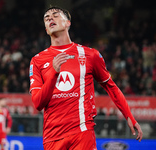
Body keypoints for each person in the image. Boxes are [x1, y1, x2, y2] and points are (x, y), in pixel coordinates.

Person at [29, 6, 143, 150]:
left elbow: (111, 87)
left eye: (56, 15)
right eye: (47, 18)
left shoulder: (90, 55)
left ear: (68, 23)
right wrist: (53, 74)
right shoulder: (37, 60)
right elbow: (38, 103)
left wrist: (129, 116)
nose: (50, 18)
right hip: (52, 137)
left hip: (82, 133)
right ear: (46, 29)